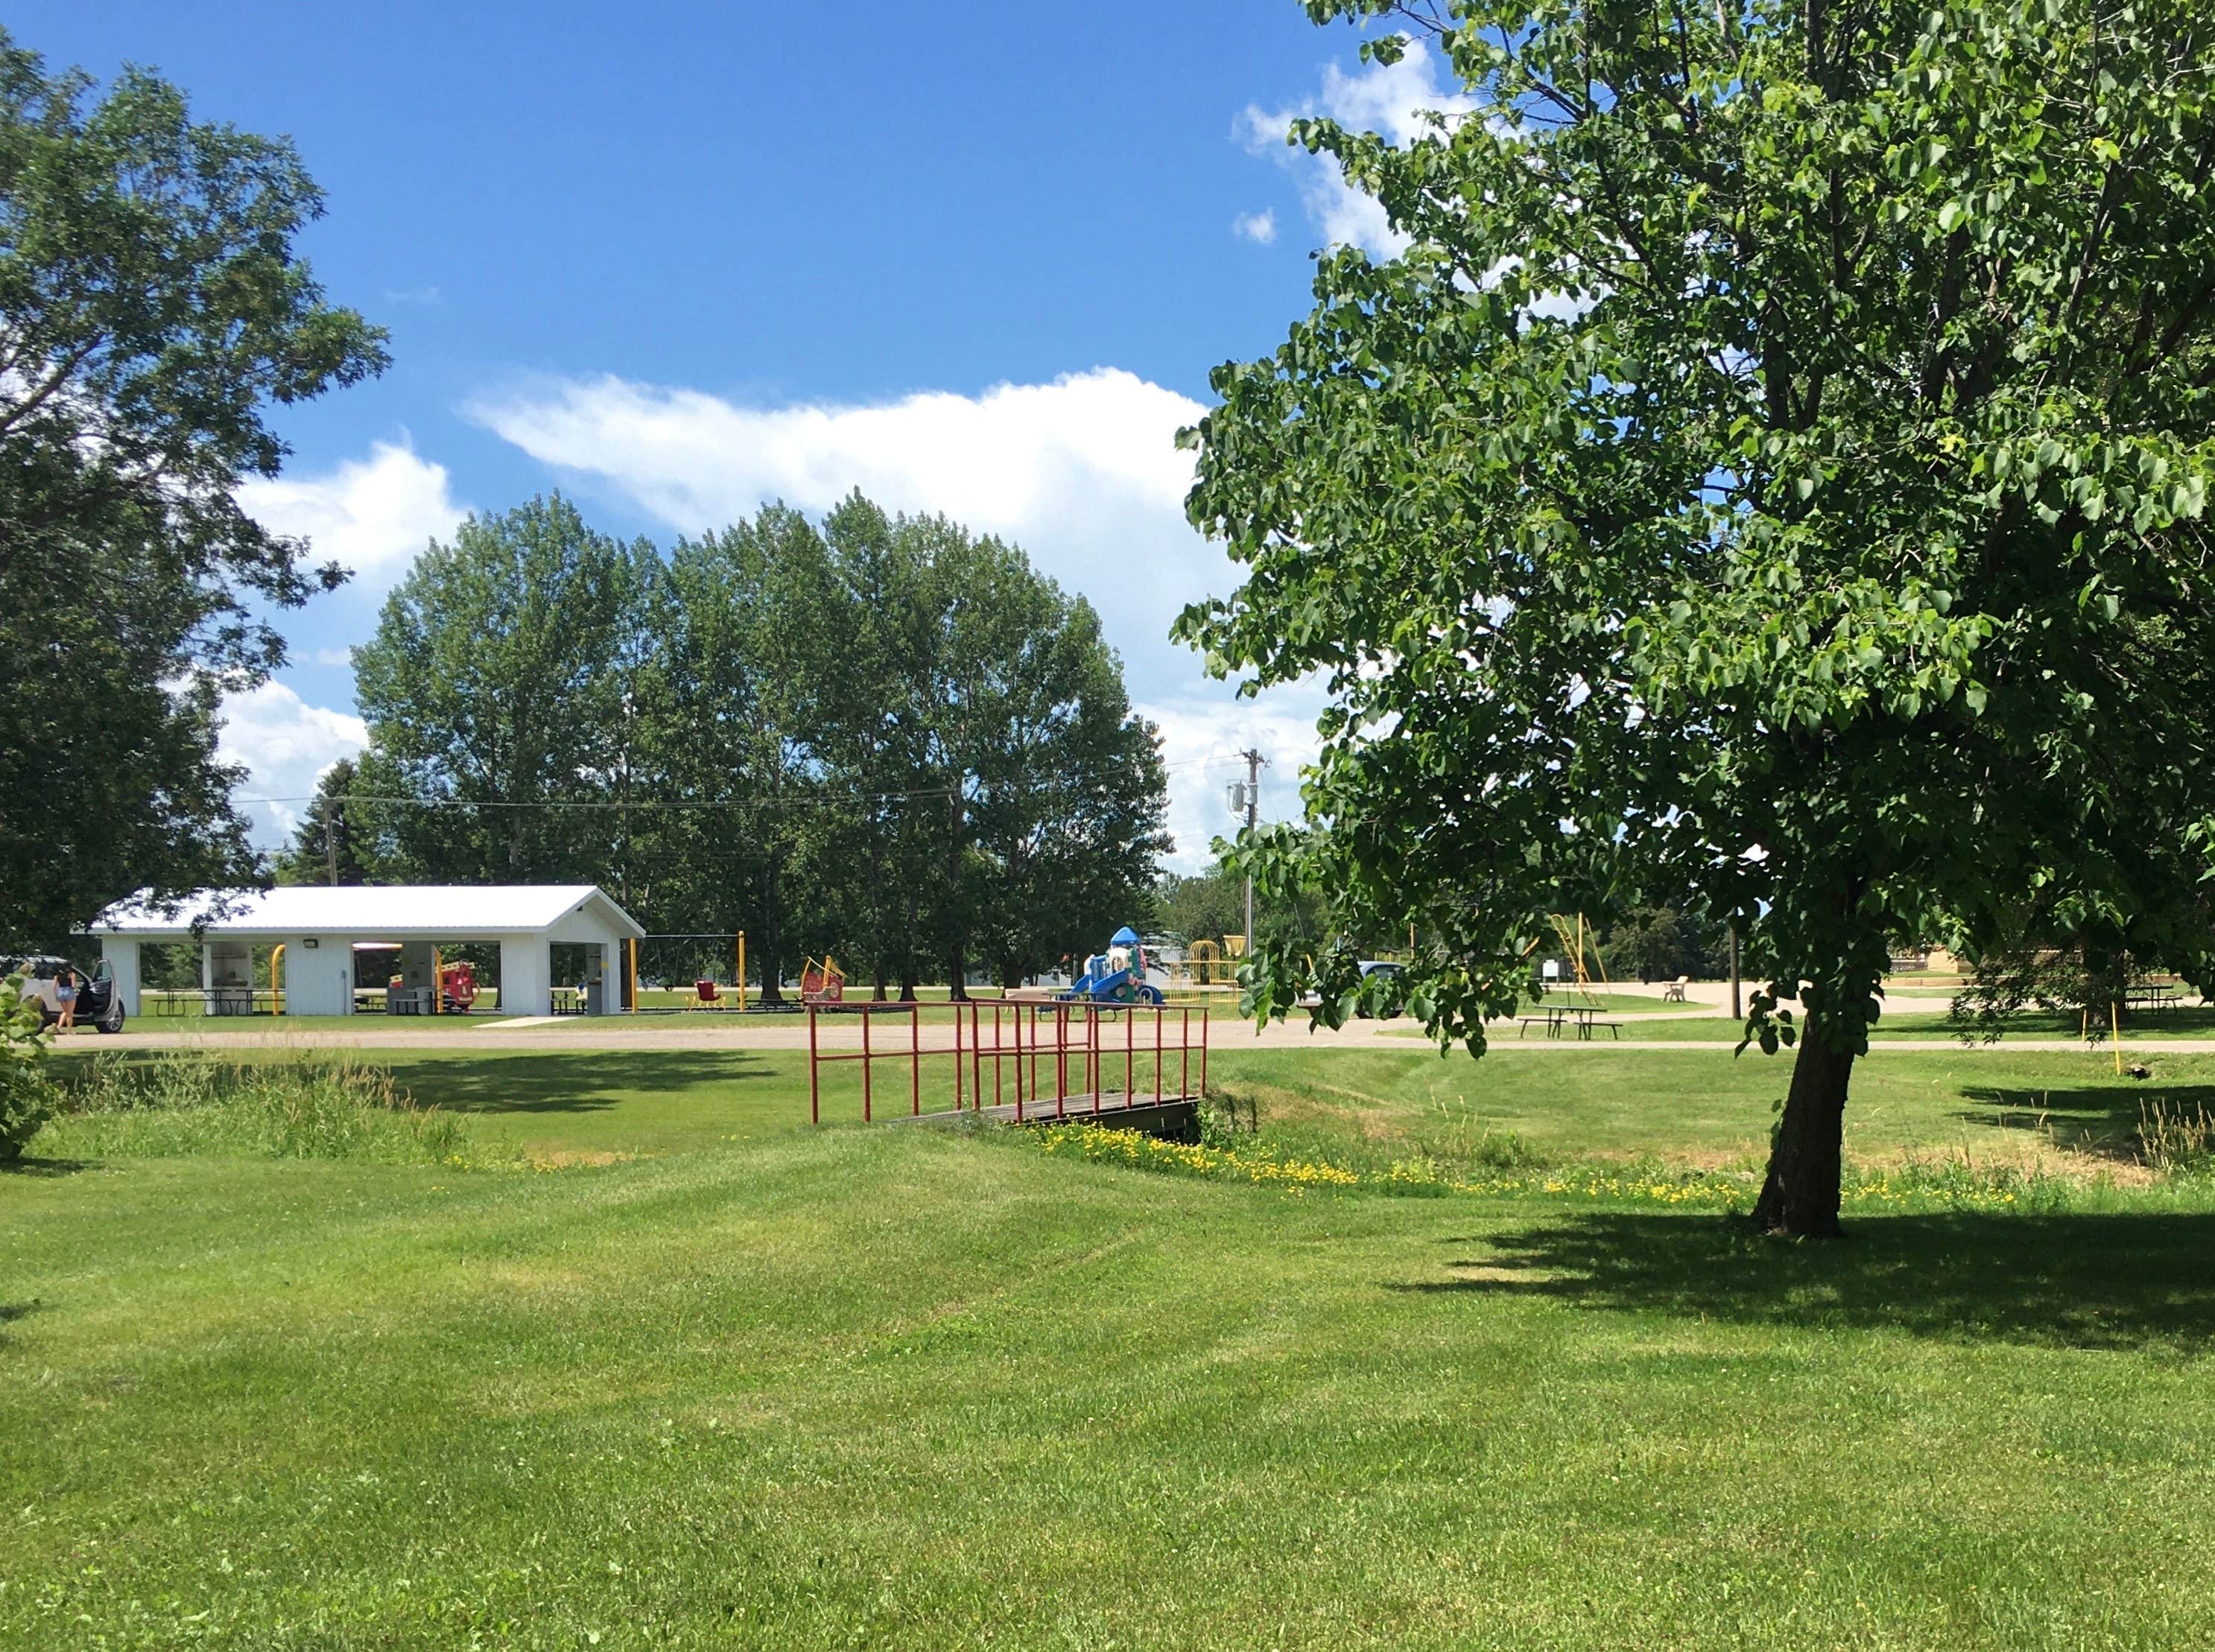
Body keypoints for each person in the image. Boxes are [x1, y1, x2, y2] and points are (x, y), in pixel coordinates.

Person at [54, 965, 78, 1032]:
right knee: (70, 1013)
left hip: (61, 992)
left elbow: (54, 986)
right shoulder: (72, 974)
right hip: (69, 991)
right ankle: (69, 1031)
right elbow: (73, 985)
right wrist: (77, 989)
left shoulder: (57, 976)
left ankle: (59, 1027)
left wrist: (56, 995)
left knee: (65, 1011)